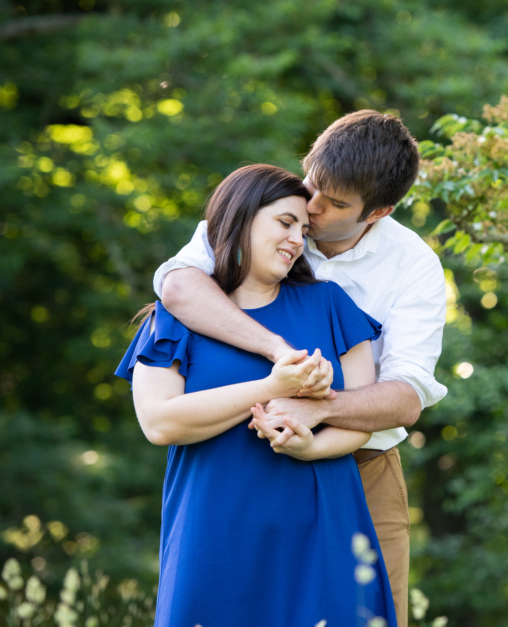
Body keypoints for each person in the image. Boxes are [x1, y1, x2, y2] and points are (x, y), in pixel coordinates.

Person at [153, 110, 447, 627]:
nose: (310, 209)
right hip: (240, 462)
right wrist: (276, 354)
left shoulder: (413, 265)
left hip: (362, 467)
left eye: (334, 204)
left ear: (378, 212)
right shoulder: (268, 213)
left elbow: (406, 396)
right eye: (313, 185)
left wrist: (318, 408)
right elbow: (178, 287)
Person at [116, 164, 396, 627]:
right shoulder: (174, 317)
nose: (296, 239)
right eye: (284, 223)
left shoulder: (331, 304)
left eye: (304, 230)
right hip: (215, 536)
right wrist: (272, 386)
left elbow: (361, 420)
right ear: (240, 217)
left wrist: (312, 444)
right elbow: (159, 422)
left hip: (322, 529)